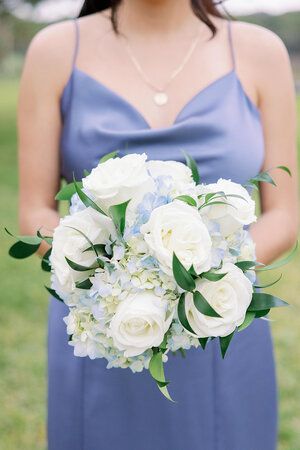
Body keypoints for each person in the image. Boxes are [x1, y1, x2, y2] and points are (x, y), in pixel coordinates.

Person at [18, 1, 298, 449]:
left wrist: (199, 280)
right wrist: (121, 280)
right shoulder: (54, 50)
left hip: (220, 323)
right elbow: (34, 212)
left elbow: (284, 215)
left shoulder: (260, 51)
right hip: (105, 327)